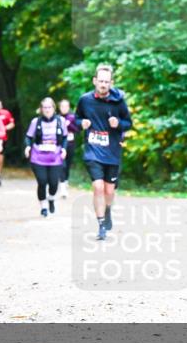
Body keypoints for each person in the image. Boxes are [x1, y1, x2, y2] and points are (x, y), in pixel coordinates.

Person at [75, 63, 132, 240]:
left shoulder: (118, 101)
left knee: (109, 191)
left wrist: (119, 124)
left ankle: (107, 211)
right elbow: (76, 119)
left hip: (112, 152)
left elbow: (128, 123)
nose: (103, 84)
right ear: (94, 81)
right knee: (98, 187)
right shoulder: (85, 100)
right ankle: (101, 224)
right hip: (92, 151)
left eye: (106, 82)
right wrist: (81, 123)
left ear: (111, 83)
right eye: (100, 81)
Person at [24, 97, 68, 217]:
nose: (47, 110)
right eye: (45, 107)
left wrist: (64, 149)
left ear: (54, 108)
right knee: (42, 181)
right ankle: (43, 207)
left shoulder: (61, 121)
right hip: (38, 157)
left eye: (49, 107)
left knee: (54, 183)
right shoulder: (35, 122)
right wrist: (27, 147)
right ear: (41, 109)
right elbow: (28, 137)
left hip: (55, 157)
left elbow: (65, 137)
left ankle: (51, 198)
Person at [58, 98, 79, 198]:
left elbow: (78, 129)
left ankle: (65, 181)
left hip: (70, 143)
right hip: (60, 144)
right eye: (62, 106)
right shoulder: (56, 117)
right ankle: (62, 187)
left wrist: (69, 125)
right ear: (59, 107)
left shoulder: (73, 117)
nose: (64, 108)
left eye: (66, 106)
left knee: (68, 164)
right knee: (62, 165)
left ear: (69, 107)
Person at [0, 99, 16, 185]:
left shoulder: (6, 113)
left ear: (1, 106)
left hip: (3, 138)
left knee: (0, 158)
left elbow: (12, 124)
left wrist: (4, 128)